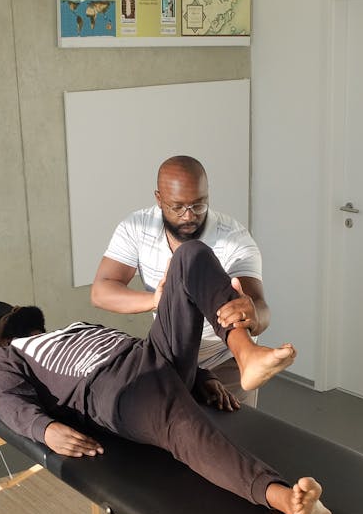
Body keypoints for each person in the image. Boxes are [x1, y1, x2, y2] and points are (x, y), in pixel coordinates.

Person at [0, 240, 331, 514]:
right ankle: (285, 500)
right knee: (185, 430)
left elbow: (133, 344)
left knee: (190, 254)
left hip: (150, 355)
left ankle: (246, 353)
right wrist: (45, 430)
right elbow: (5, 399)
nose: (16, 312)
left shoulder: (78, 326)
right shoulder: (8, 356)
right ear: (6, 337)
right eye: (10, 316)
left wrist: (202, 377)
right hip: (117, 389)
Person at [91, 155, 269, 407]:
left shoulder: (233, 239)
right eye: (178, 207)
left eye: (199, 205)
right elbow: (101, 291)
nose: (189, 216)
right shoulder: (137, 227)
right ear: (158, 199)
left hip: (224, 360)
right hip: (172, 355)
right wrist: (155, 300)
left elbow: (261, 309)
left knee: (233, 438)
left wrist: (254, 314)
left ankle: (248, 355)